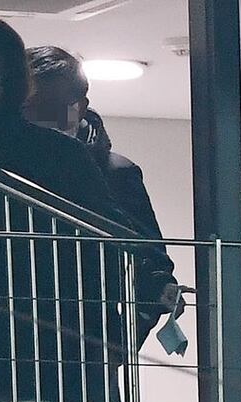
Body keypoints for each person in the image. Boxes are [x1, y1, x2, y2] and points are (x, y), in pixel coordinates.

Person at [0, 17, 173, 402]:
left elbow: (113, 243)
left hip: (47, 364)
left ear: (10, 72)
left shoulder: (60, 155)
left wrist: (118, 333)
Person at [24, 45, 193, 348]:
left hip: (87, 334)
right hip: (13, 327)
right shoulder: (10, 163)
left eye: (51, 107)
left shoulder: (114, 172)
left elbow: (149, 259)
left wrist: (120, 344)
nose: (41, 119)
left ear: (80, 107)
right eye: (32, 107)